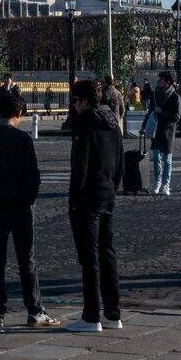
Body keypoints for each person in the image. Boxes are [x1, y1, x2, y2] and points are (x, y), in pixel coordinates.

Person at [0, 90, 58, 329]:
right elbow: (33, 176)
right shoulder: (22, 139)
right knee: (26, 259)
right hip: (20, 205)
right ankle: (34, 310)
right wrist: (29, 198)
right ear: (18, 113)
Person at [65, 79, 122, 332]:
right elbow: (120, 161)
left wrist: (75, 197)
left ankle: (91, 316)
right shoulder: (112, 122)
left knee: (89, 258)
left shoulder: (84, 123)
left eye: (75, 100)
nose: (73, 106)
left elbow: (81, 166)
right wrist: (112, 187)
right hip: (108, 193)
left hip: (87, 197)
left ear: (84, 101)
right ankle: (113, 313)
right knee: (107, 253)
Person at [147, 70, 181, 195]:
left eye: (161, 80)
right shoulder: (155, 94)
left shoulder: (175, 96)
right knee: (156, 158)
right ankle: (158, 182)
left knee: (167, 159)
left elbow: (176, 116)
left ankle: (166, 184)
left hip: (168, 130)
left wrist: (161, 112)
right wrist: (144, 126)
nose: (158, 81)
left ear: (167, 82)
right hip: (157, 130)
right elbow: (150, 111)